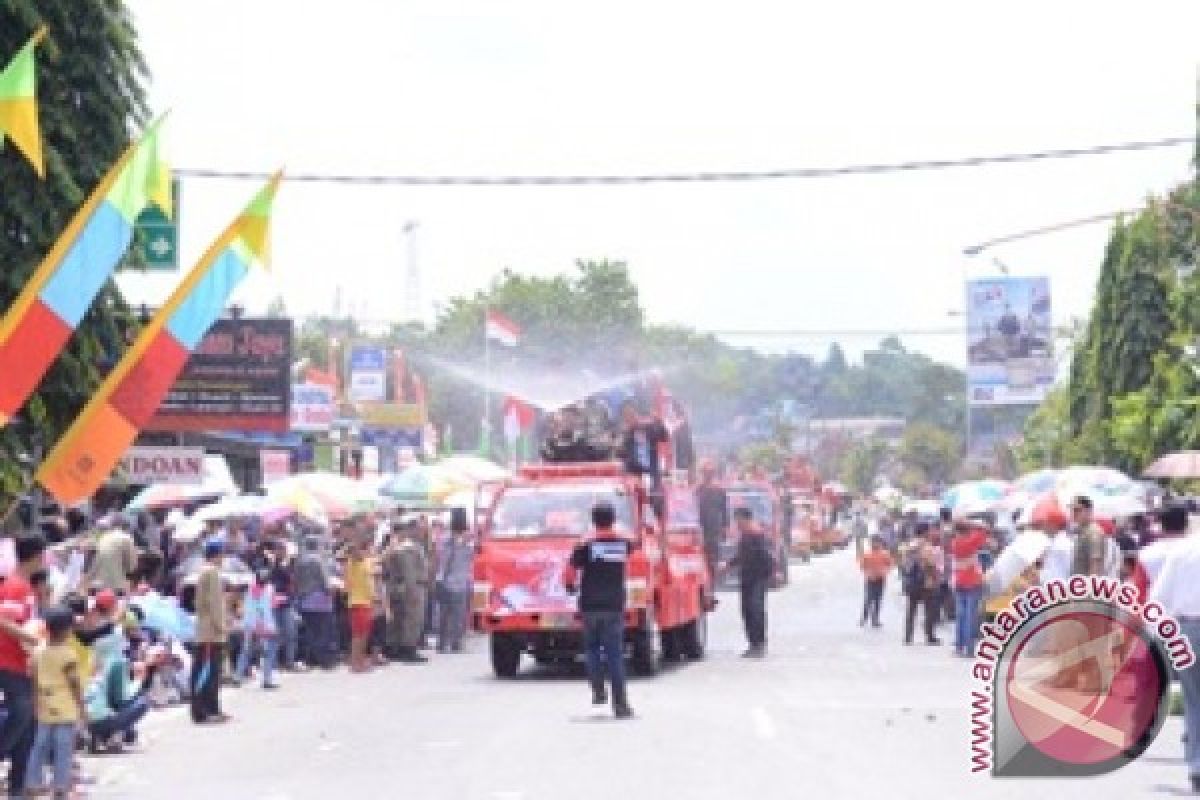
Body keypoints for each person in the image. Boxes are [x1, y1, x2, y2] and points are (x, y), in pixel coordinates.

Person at [563, 503, 635, 719]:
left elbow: (569, 572)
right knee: (614, 655)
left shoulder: (584, 544)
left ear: (593, 521)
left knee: (592, 651)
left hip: (590, 606)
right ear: (613, 519)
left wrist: (570, 587)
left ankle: (598, 692)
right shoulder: (625, 543)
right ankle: (621, 705)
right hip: (614, 606)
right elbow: (635, 550)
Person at [1146, 508, 1200, 793]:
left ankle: (1197, 765)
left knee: (1194, 701)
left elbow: (1159, 597)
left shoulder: (1182, 552)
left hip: (1187, 629)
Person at [0, 533, 47, 797]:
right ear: (37, 556)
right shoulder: (16, 586)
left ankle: (18, 787)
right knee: (20, 715)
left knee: (28, 727)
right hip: (8, 662)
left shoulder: (26, 587)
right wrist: (31, 637)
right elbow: (3, 621)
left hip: (21, 662)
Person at [25, 607, 85, 800]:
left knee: (39, 746)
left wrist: (35, 703)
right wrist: (82, 708)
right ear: (65, 630)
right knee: (63, 748)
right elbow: (74, 683)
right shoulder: (68, 654)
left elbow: (33, 680)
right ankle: (60, 788)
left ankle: (32, 784)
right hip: (65, 706)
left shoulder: (38, 651)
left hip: (44, 703)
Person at [722, 507, 775, 658]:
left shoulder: (756, 534)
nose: (736, 523)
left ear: (745, 519)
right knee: (747, 611)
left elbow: (766, 556)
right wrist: (729, 564)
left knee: (756, 610)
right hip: (746, 578)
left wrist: (770, 573)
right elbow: (742, 555)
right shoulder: (745, 534)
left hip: (757, 578)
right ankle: (753, 644)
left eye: (738, 520)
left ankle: (759, 644)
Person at [191, 540, 229, 724]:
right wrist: (222, 626)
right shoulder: (212, 573)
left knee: (203, 670)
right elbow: (214, 604)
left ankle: (204, 709)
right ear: (217, 554)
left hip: (203, 628)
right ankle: (207, 710)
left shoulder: (203, 571)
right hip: (211, 632)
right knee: (210, 672)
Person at [382, 524, 429, 663]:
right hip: (411, 587)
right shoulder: (407, 549)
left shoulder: (394, 548)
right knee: (413, 619)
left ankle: (394, 648)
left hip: (397, 586)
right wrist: (413, 591)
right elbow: (409, 572)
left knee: (398, 620)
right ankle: (408, 649)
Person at [293, 536, 336, 670]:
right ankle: (324, 660)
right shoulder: (318, 560)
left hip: (304, 599)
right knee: (323, 631)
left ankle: (309, 659)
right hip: (319, 599)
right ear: (317, 545)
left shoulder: (300, 561)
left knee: (309, 631)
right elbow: (324, 580)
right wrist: (330, 592)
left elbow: (296, 580)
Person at [434, 509, 474, 654]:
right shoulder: (447, 540)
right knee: (444, 614)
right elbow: (443, 560)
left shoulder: (468, 543)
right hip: (447, 581)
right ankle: (442, 642)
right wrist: (456, 543)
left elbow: (472, 557)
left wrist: (465, 542)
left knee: (459, 614)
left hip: (462, 582)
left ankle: (456, 642)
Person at [949, 521, 990, 658]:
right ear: (968, 531)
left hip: (959, 581)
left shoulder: (954, 543)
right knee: (970, 616)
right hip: (972, 581)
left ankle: (959, 646)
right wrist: (974, 524)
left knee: (960, 615)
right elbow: (984, 530)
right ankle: (970, 648)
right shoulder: (971, 542)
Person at [234, 570, 280, 688]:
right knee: (269, 652)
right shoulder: (269, 589)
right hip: (264, 626)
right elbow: (271, 606)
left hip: (250, 624)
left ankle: (237, 676)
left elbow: (250, 607)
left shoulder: (250, 589)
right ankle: (266, 679)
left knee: (246, 651)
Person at [902, 525, 942, 646]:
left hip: (912, 582)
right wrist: (936, 578)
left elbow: (904, 564)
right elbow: (931, 564)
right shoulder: (927, 547)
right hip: (926, 582)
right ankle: (929, 636)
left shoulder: (909, 546)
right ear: (925, 532)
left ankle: (908, 636)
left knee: (911, 610)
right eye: (929, 531)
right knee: (929, 610)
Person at [695, 462, 728, 590]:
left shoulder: (719, 491)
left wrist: (725, 527)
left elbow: (724, 511)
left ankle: (711, 586)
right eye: (705, 472)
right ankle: (703, 586)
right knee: (700, 557)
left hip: (714, 529)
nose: (708, 475)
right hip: (699, 529)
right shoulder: (698, 490)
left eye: (710, 473)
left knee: (713, 560)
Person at [344, 539, 375, 673]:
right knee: (358, 635)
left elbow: (380, 558)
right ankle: (354, 663)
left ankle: (360, 660)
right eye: (355, 551)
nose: (359, 553)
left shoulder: (367, 562)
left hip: (367, 602)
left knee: (365, 635)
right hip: (357, 602)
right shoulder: (351, 565)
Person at [87, 516, 138, 594]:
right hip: (114, 586)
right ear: (123, 526)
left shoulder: (101, 536)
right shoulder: (126, 538)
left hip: (94, 584)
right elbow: (131, 566)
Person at [858, 535, 893, 628]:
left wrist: (884, 572)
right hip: (870, 580)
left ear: (880, 543)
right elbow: (862, 566)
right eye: (873, 542)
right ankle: (864, 618)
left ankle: (875, 619)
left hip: (881, 580)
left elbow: (890, 565)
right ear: (870, 543)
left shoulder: (885, 554)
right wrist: (868, 573)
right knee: (868, 599)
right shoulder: (867, 554)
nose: (875, 544)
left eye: (877, 542)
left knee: (878, 600)